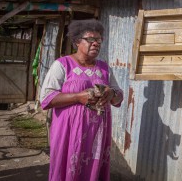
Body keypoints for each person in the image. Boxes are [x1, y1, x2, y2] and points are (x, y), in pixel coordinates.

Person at [40, 19, 124, 181]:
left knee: (93, 169)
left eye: (99, 40)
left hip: (97, 134)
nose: (96, 44)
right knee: (68, 169)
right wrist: (79, 97)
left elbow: (118, 96)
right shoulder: (63, 65)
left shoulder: (104, 68)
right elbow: (47, 99)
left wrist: (111, 93)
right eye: (91, 39)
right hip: (69, 132)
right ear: (77, 41)